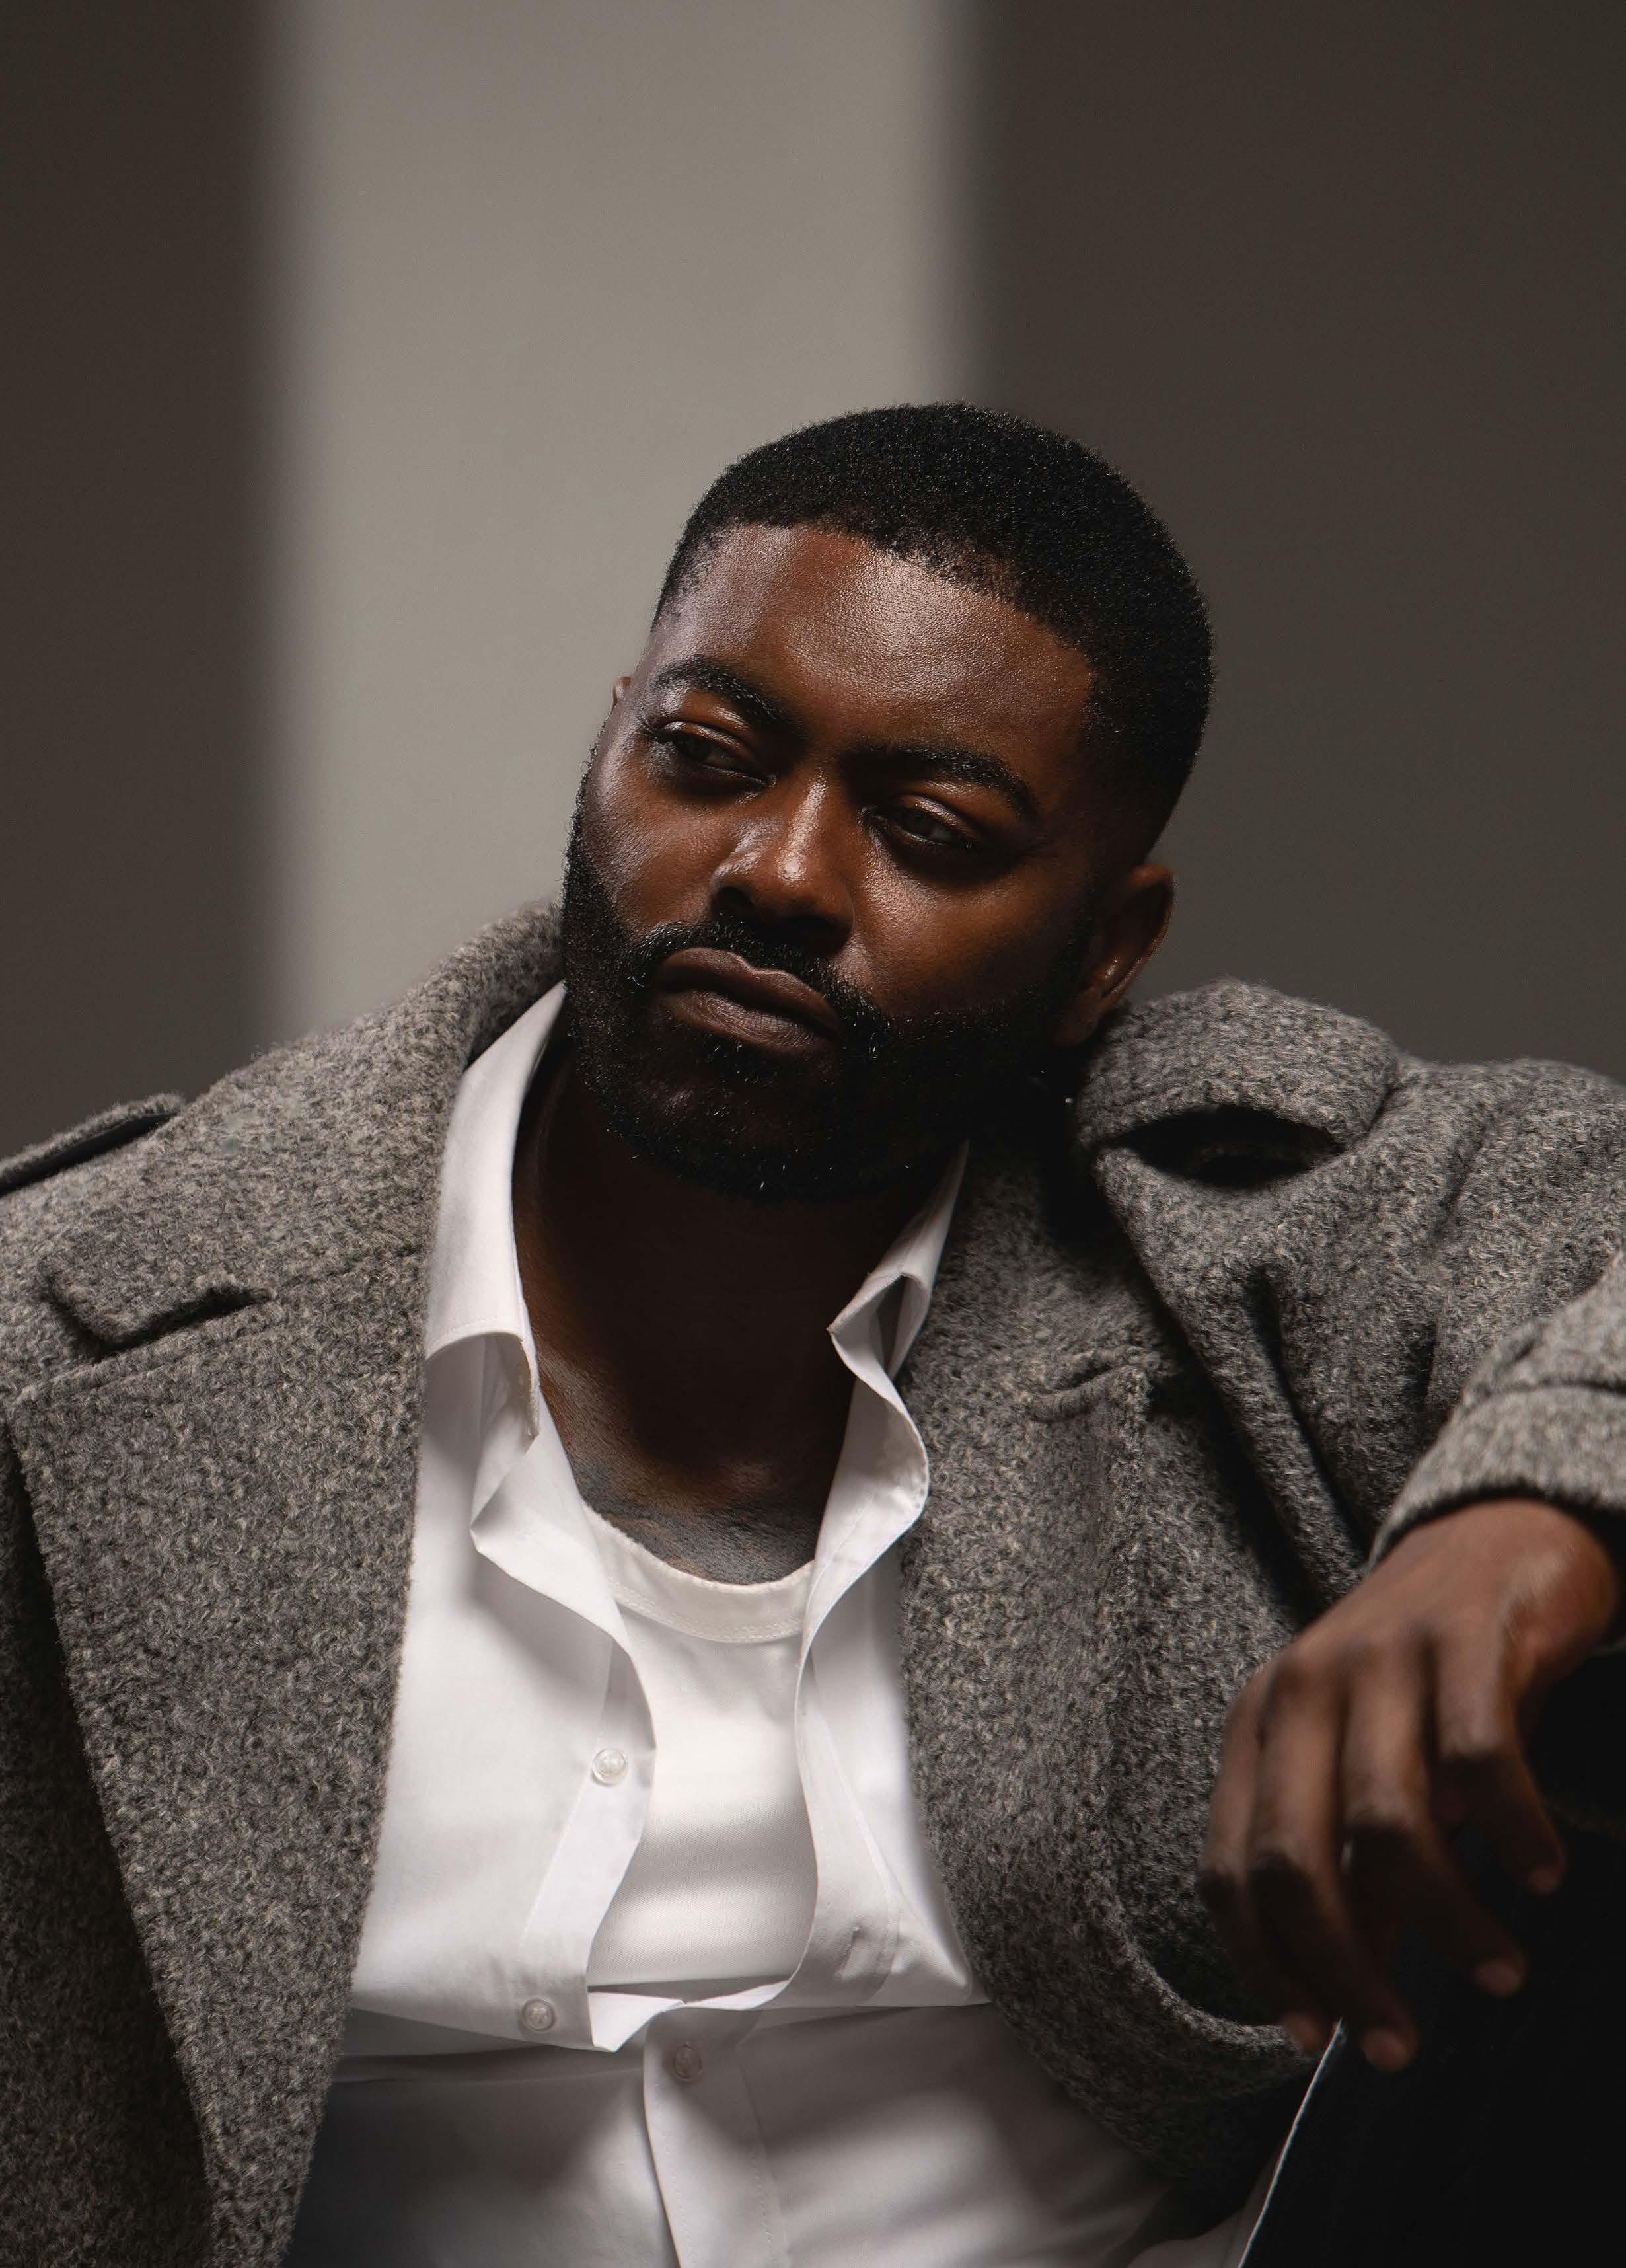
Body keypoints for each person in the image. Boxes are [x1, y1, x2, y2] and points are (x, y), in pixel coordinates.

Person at [3, 403, 1624, 2268]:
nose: (777, 870)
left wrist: (1529, 1518)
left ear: (1108, 950)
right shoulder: (87, 1331)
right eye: (705, 758)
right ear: (609, 747)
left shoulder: (1259, 1217)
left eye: (928, 832)